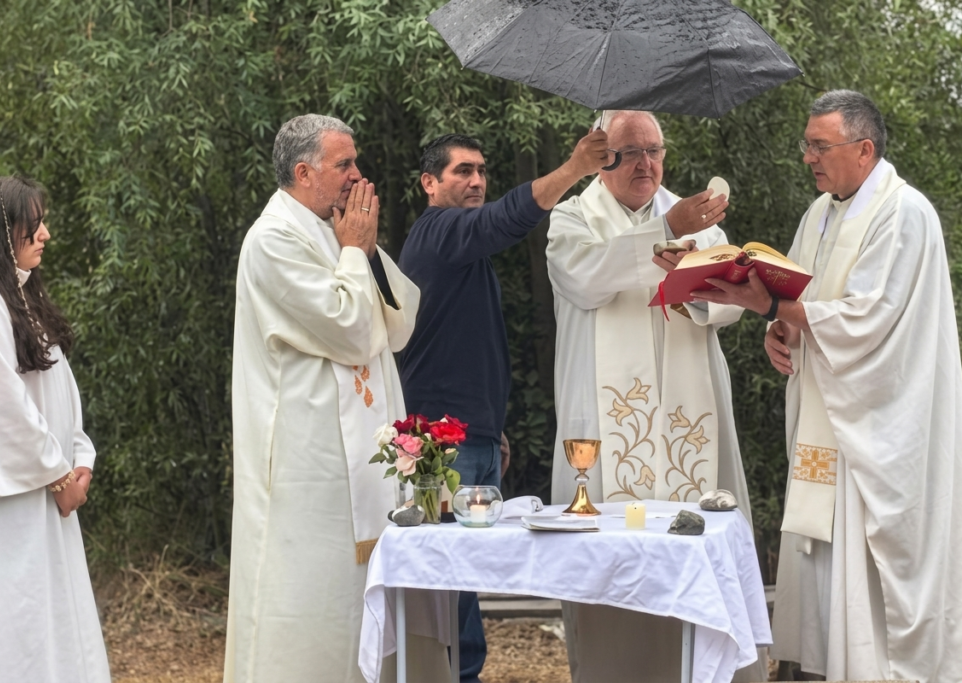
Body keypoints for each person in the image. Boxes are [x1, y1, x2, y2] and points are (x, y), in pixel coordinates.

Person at [693, 90, 962, 682]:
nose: (809, 157)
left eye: (821, 145)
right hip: (827, 414)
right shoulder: (819, 213)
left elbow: (869, 319)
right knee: (819, 555)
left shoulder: (904, 211)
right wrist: (778, 330)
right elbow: (803, 303)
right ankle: (815, 667)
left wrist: (775, 308)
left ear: (863, 149)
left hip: (879, 424)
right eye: (807, 145)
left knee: (868, 564)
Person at [225, 114, 449, 683]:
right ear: (304, 172)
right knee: (316, 605)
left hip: (363, 457)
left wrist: (366, 252)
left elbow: (399, 326)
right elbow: (350, 330)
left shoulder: (337, 229)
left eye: (355, 161)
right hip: (311, 464)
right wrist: (355, 249)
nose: (358, 176)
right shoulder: (272, 240)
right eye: (344, 164)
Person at [545, 110, 764, 682]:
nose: (646, 163)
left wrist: (691, 284)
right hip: (605, 422)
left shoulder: (698, 222)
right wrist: (661, 236)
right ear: (602, 156)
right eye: (630, 151)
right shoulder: (572, 216)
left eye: (655, 150)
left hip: (689, 417)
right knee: (610, 576)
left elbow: (729, 302)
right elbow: (585, 280)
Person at [397, 128, 610, 682]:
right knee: (450, 585)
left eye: (481, 171)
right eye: (461, 171)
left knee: (464, 580)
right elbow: (503, 219)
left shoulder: (463, 251)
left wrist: (492, 431)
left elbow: (462, 348)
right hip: (441, 444)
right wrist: (574, 168)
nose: (476, 181)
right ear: (429, 184)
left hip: (472, 437)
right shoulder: (438, 232)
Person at [0, 176, 111, 682]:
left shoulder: (17, 297)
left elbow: (61, 394)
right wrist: (60, 480)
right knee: (1, 630)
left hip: (43, 493)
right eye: (34, 224)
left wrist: (81, 459)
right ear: (0, 230)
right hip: (1, 510)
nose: (46, 235)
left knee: (42, 627)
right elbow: (3, 406)